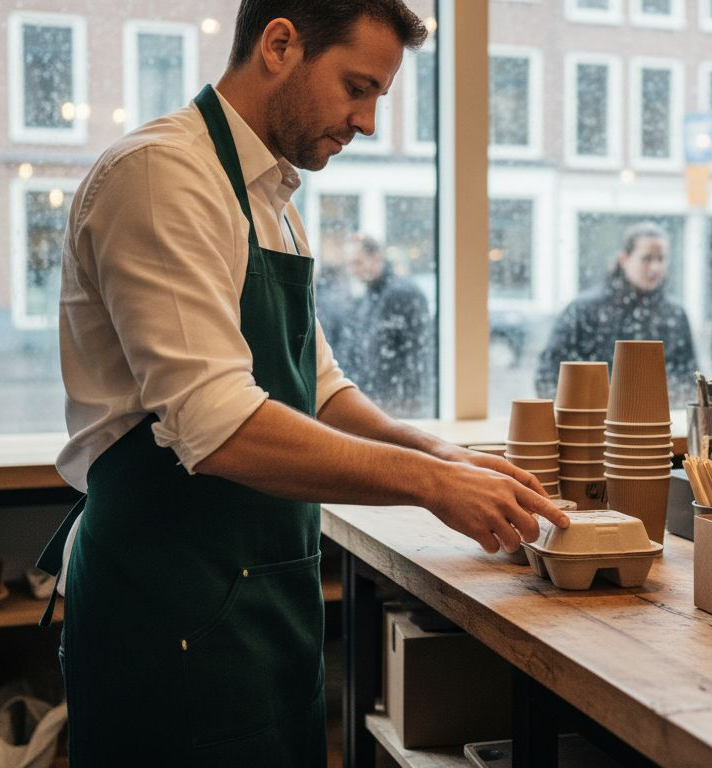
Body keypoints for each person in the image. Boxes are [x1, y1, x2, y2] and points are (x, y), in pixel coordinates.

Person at [36, 2, 569, 764]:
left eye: (379, 95)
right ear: (280, 43)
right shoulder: (161, 177)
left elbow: (317, 388)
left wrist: (444, 456)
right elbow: (217, 424)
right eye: (358, 87)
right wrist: (428, 483)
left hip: (263, 599)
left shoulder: (271, 201)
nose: (368, 122)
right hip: (167, 601)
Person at [535, 222, 699, 404]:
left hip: (657, 426)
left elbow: (689, 380)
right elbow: (548, 376)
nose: (655, 267)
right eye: (647, 259)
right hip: (594, 424)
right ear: (624, 259)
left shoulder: (675, 314)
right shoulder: (584, 310)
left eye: (661, 259)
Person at [338, 233, 433, 417]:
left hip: (398, 404)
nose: (352, 270)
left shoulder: (402, 294)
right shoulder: (369, 297)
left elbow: (417, 355)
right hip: (377, 400)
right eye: (349, 264)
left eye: (357, 262)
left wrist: (407, 401)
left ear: (376, 258)